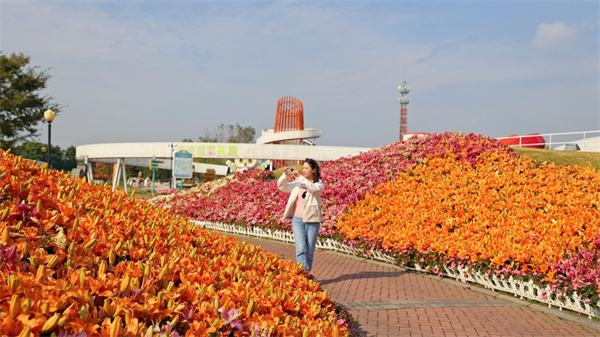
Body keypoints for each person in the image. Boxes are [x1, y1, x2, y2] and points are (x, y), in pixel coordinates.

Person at [277, 158, 325, 277]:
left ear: (313, 170)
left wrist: (300, 178)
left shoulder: (319, 184)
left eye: (306, 168)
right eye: (302, 168)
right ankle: (303, 274)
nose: (303, 170)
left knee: (309, 251)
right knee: (301, 249)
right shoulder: (298, 183)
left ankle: (306, 273)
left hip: (312, 221)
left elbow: (312, 189)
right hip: (297, 220)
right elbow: (282, 186)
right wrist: (285, 175)